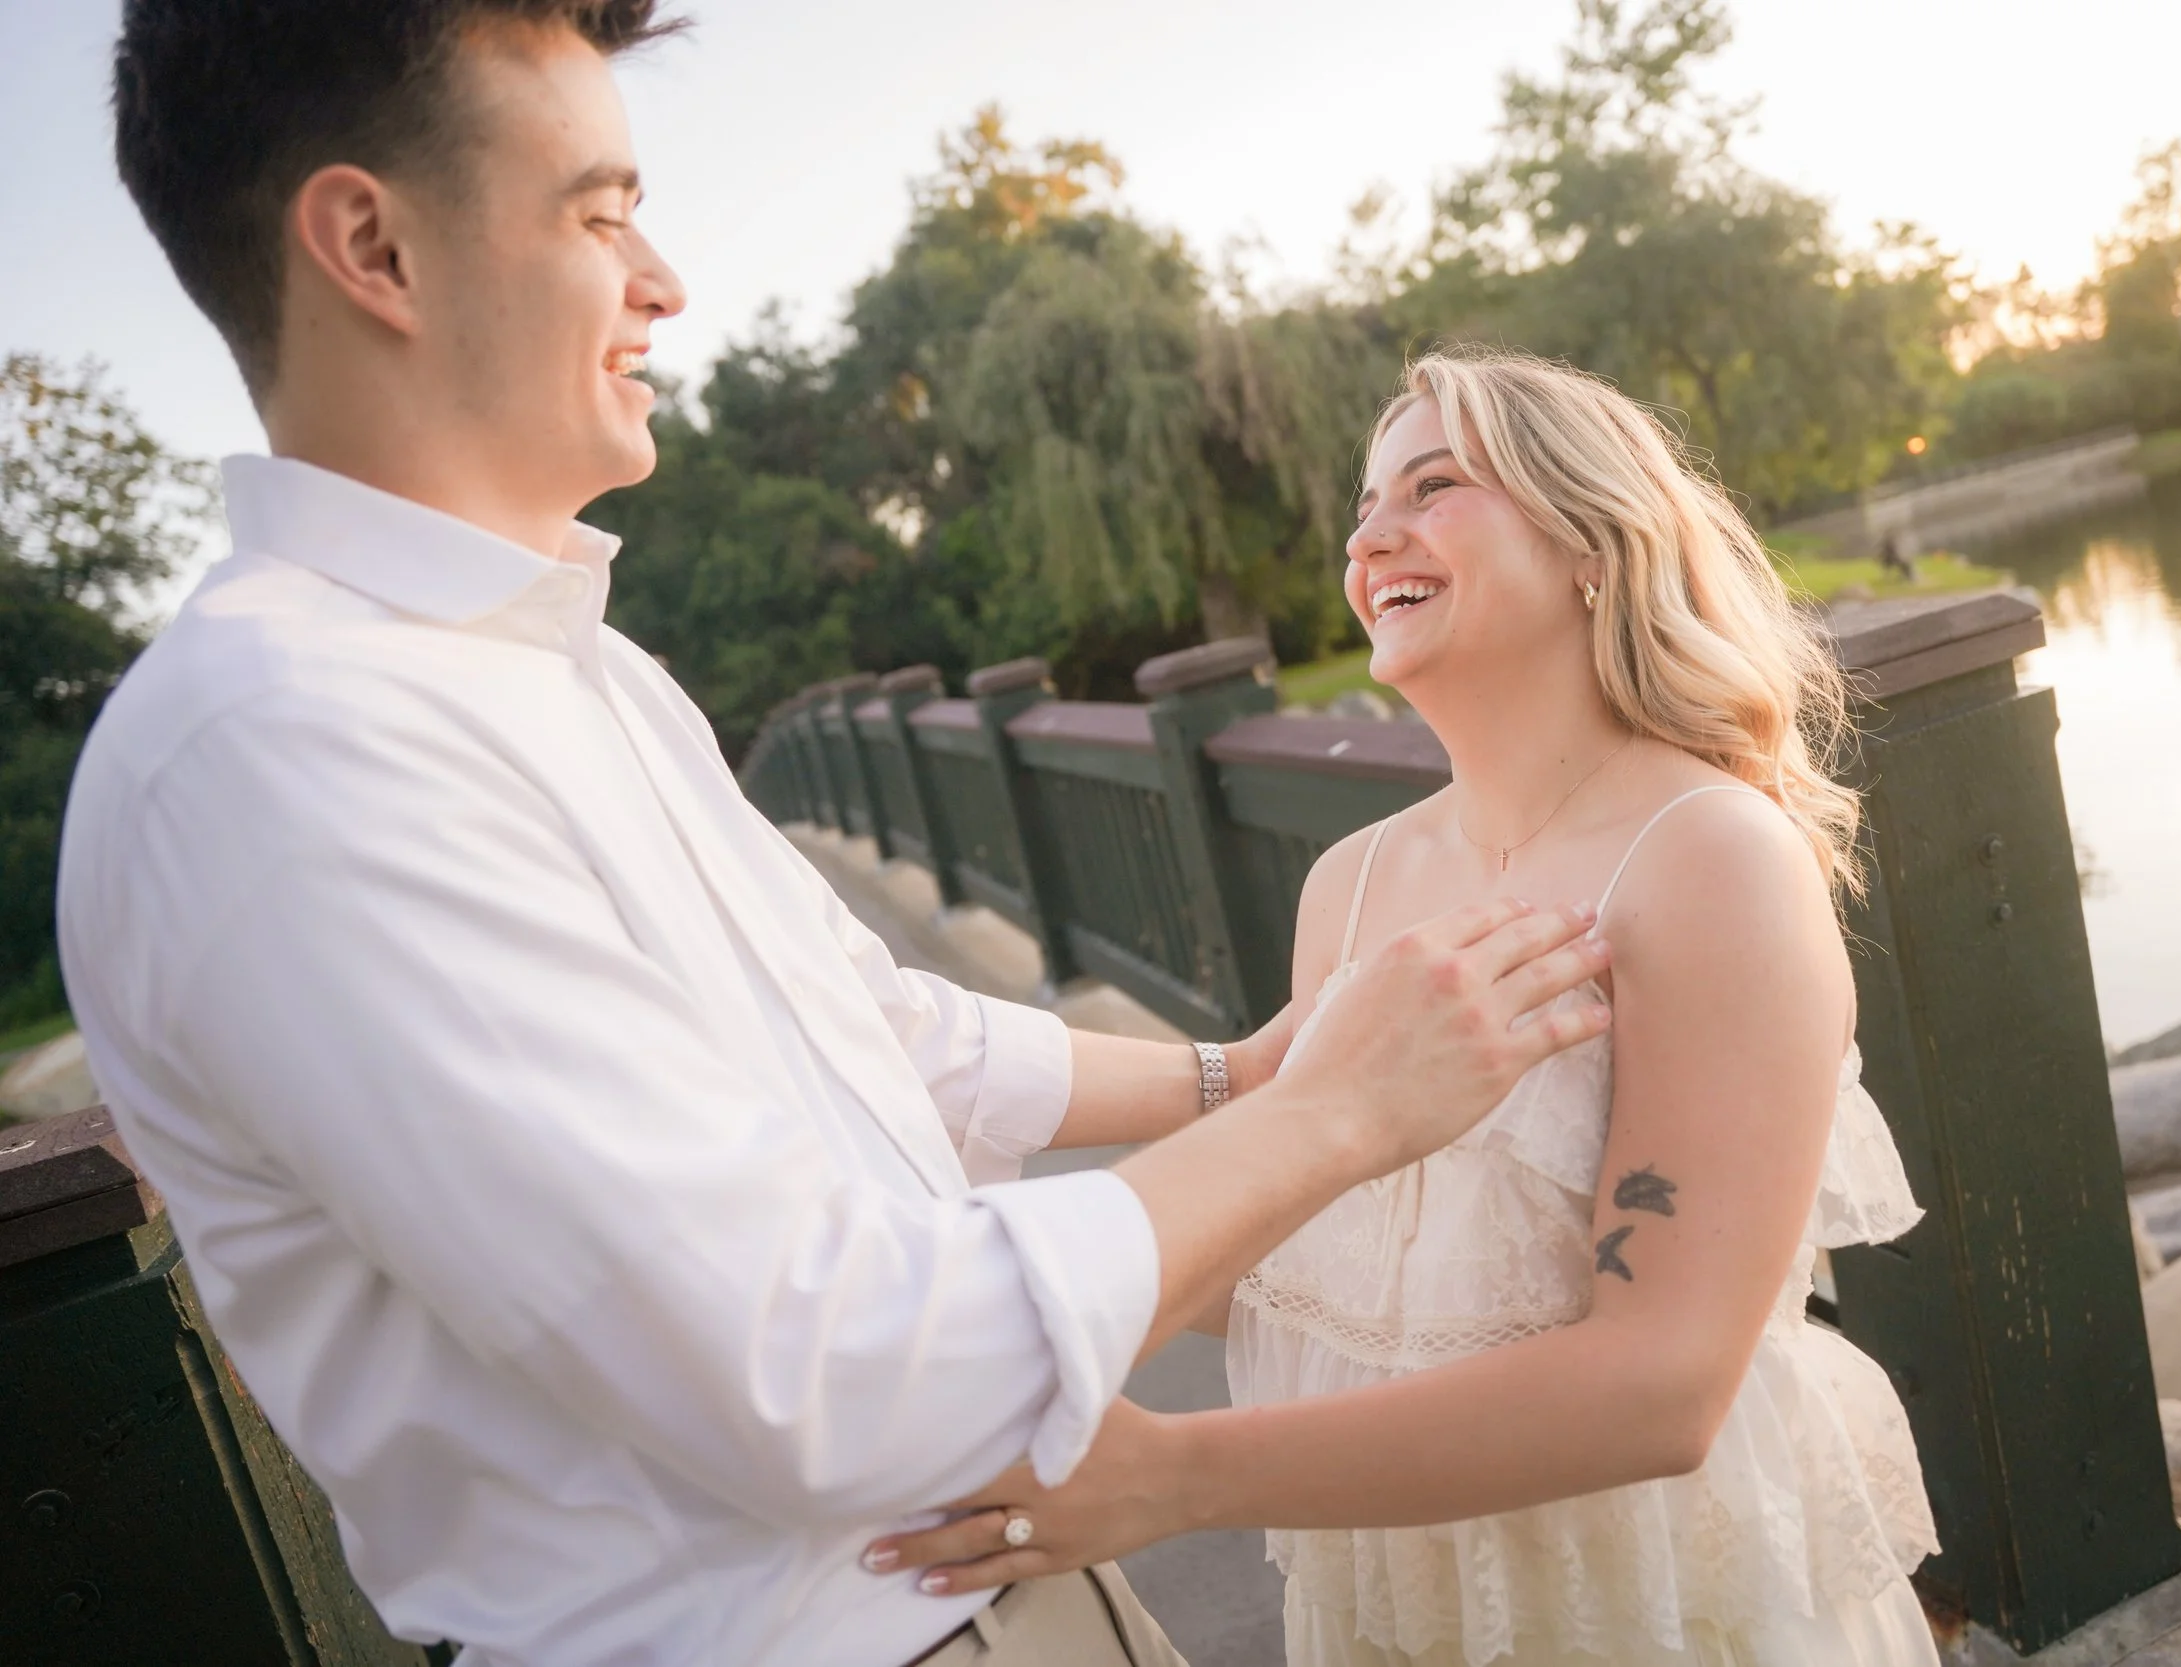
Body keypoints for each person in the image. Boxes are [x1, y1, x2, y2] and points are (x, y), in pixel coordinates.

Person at [64, 9, 1614, 1666]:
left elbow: (864, 1025)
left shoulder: (578, 667)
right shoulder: (275, 748)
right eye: (600, 215)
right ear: (374, 245)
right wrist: (1338, 1117)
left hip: (1022, 1586)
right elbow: (823, 1374)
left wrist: (1230, 1076)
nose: (661, 279)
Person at [875, 349, 1942, 1666]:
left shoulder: (1707, 856)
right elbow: (1329, 1275)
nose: (1372, 536)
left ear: (1589, 540)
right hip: (1394, 1586)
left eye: (1432, 487)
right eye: (1364, 509)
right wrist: (957, 1295)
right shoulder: (1354, 882)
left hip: (1650, 1597)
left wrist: (1176, 1472)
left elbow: (1668, 1380)